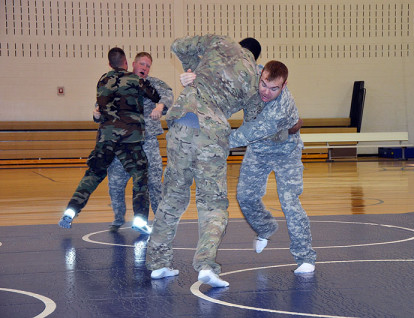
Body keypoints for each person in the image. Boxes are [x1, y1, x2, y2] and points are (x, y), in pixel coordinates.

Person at [145, 35, 264, 288]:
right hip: (213, 133)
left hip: (182, 125)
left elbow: (176, 44)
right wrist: (230, 138)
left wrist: (192, 68)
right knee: (212, 203)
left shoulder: (219, 42)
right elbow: (253, 121)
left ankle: (158, 263)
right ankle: (206, 265)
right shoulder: (255, 77)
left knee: (173, 196)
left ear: (240, 44)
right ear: (256, 56)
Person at [58, 47, 161, 234]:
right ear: (127, 63)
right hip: (130, 138)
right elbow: (154, 95)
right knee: (140, 176)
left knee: (93, 174)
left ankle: (71, 211)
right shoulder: (135, 80)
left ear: (109, 64)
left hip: (106, 137)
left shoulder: (102, 80)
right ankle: (140, 219)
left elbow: (99, 107)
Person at [229, 60, 317, 274]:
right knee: (245, 196)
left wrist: (216, 142)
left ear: (284, 86)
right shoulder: (255, 72)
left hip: (286, 152)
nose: (266, 92)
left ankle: (305, 257)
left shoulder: (280, 108)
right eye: (263, 85)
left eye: (274, 88)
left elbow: (249, 133)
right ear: (261, 76)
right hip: (259, 151)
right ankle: (265, 227)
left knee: (289, 202)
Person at [93, 52, 174, 234]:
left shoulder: (154, 84)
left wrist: (160, 107)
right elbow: (102, 105)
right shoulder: (118, 83)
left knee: (153, 182)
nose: (144, 68)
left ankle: (159, 221)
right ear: (133, 64)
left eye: (148, 66)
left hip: (147, 142)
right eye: (142, 64)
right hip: (123, 143)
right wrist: (96, 114)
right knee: (115, 182)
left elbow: (168, 95)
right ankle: (118, 217)